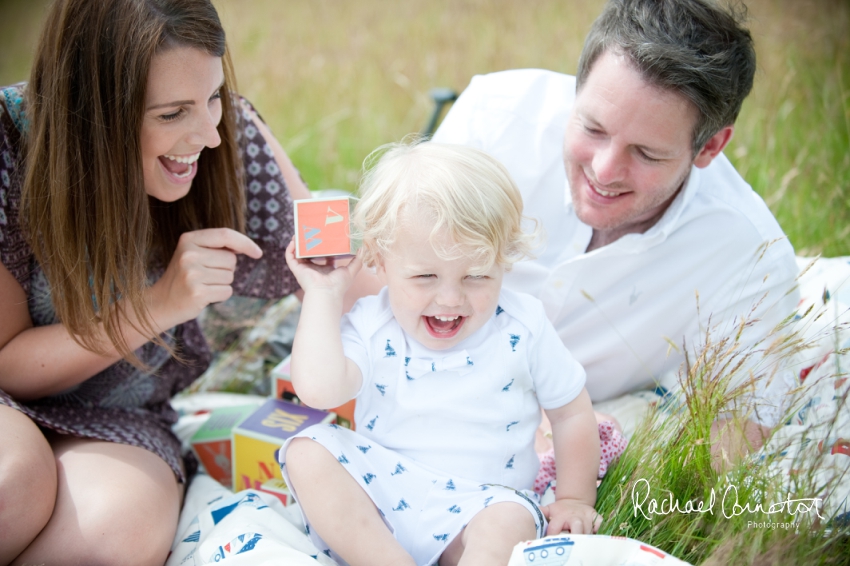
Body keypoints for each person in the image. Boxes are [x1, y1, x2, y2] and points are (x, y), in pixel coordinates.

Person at [0, 0, 311, 563]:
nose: (210, 136)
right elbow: (8, 365)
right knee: (12, 483)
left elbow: (332, 262)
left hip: (122, 421)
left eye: (214, 96)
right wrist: (159, 304)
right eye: (172, 114)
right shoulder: (7, 149)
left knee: (114, 533)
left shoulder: (228, 139)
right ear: (88, 112)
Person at [433, 0, 801, 448]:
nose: (604, 171)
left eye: (646, 153)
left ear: (710, 148)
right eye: (592, 129)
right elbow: (394, 263)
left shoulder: (749, 256)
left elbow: (739, 427)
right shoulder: (494, 118)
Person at [281, 142, 602, 565]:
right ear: (378, 259)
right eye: (425, 276)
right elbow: (319, 391)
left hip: (482, 503)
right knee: (308, 450)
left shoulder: (522, 326)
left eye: (476, 275)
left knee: (509, 522)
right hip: (383, 505)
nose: (450, 298)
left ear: (504, 261)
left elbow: (571, 413)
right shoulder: (373, 325)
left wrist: (575, 498)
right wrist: (323, 294)